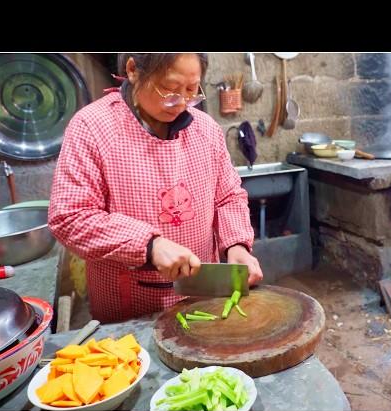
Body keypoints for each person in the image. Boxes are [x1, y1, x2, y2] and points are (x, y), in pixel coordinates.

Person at [48, 53, 263, 323]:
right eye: (170, 89)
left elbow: (229, 196)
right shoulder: (92, 127)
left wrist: (237, 245)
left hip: (202, 300)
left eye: (191, 90)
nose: (181, 103)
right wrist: (149, 245)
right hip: (127, 310)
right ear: (133, 70)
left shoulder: (205, 130)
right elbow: (70, 216)